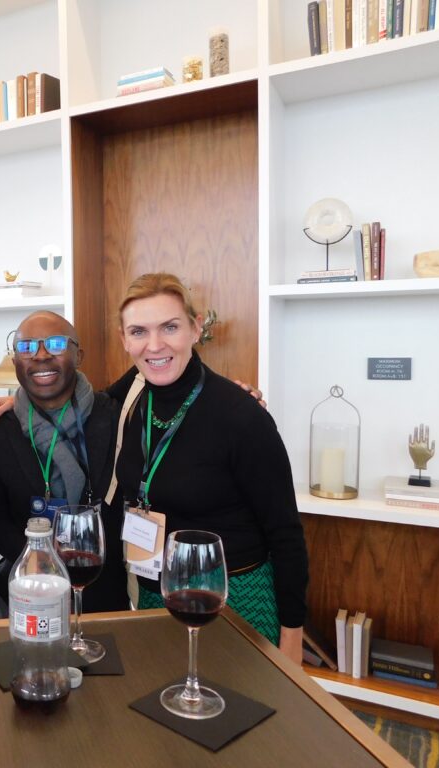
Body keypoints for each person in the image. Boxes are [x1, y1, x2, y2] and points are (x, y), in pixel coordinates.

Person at [111, 273, 308, 664]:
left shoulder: (241, 416)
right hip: (156, 596)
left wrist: (292, 638)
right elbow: (71, 402)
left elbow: (285, 532)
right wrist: (14, 404)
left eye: (170, 327)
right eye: (139, 331)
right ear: (124, 339)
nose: (154, 345)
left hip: (235, 601)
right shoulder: (131, 401)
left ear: (196, 327)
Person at [0, 311, 129, 614]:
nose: (41, 355)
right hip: (28, 594)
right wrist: (39, 559)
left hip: (104, 593)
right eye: (27, 347)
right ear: (15, 361)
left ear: (79, 355)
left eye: (56, 344)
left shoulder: (115, 416)